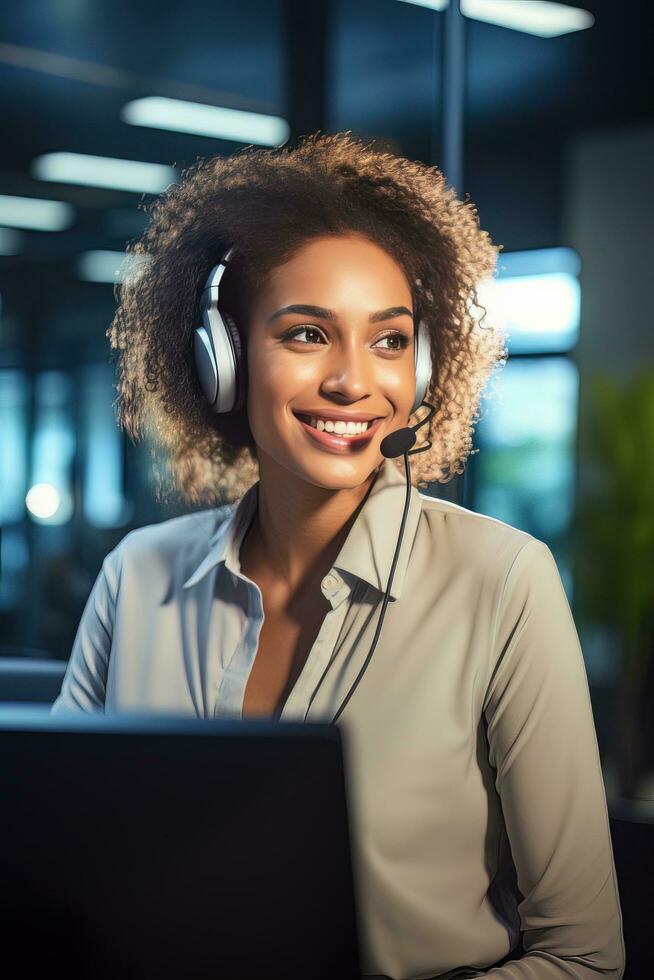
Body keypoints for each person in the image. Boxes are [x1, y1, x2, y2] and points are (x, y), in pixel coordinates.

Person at [51, 132, 625, 980]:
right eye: (308, 334)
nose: (355, 381)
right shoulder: (138, 575)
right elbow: (52, 865)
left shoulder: (500, 581)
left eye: (389, 341)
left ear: (425, 366)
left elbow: (583, 957)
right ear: (225, 359)